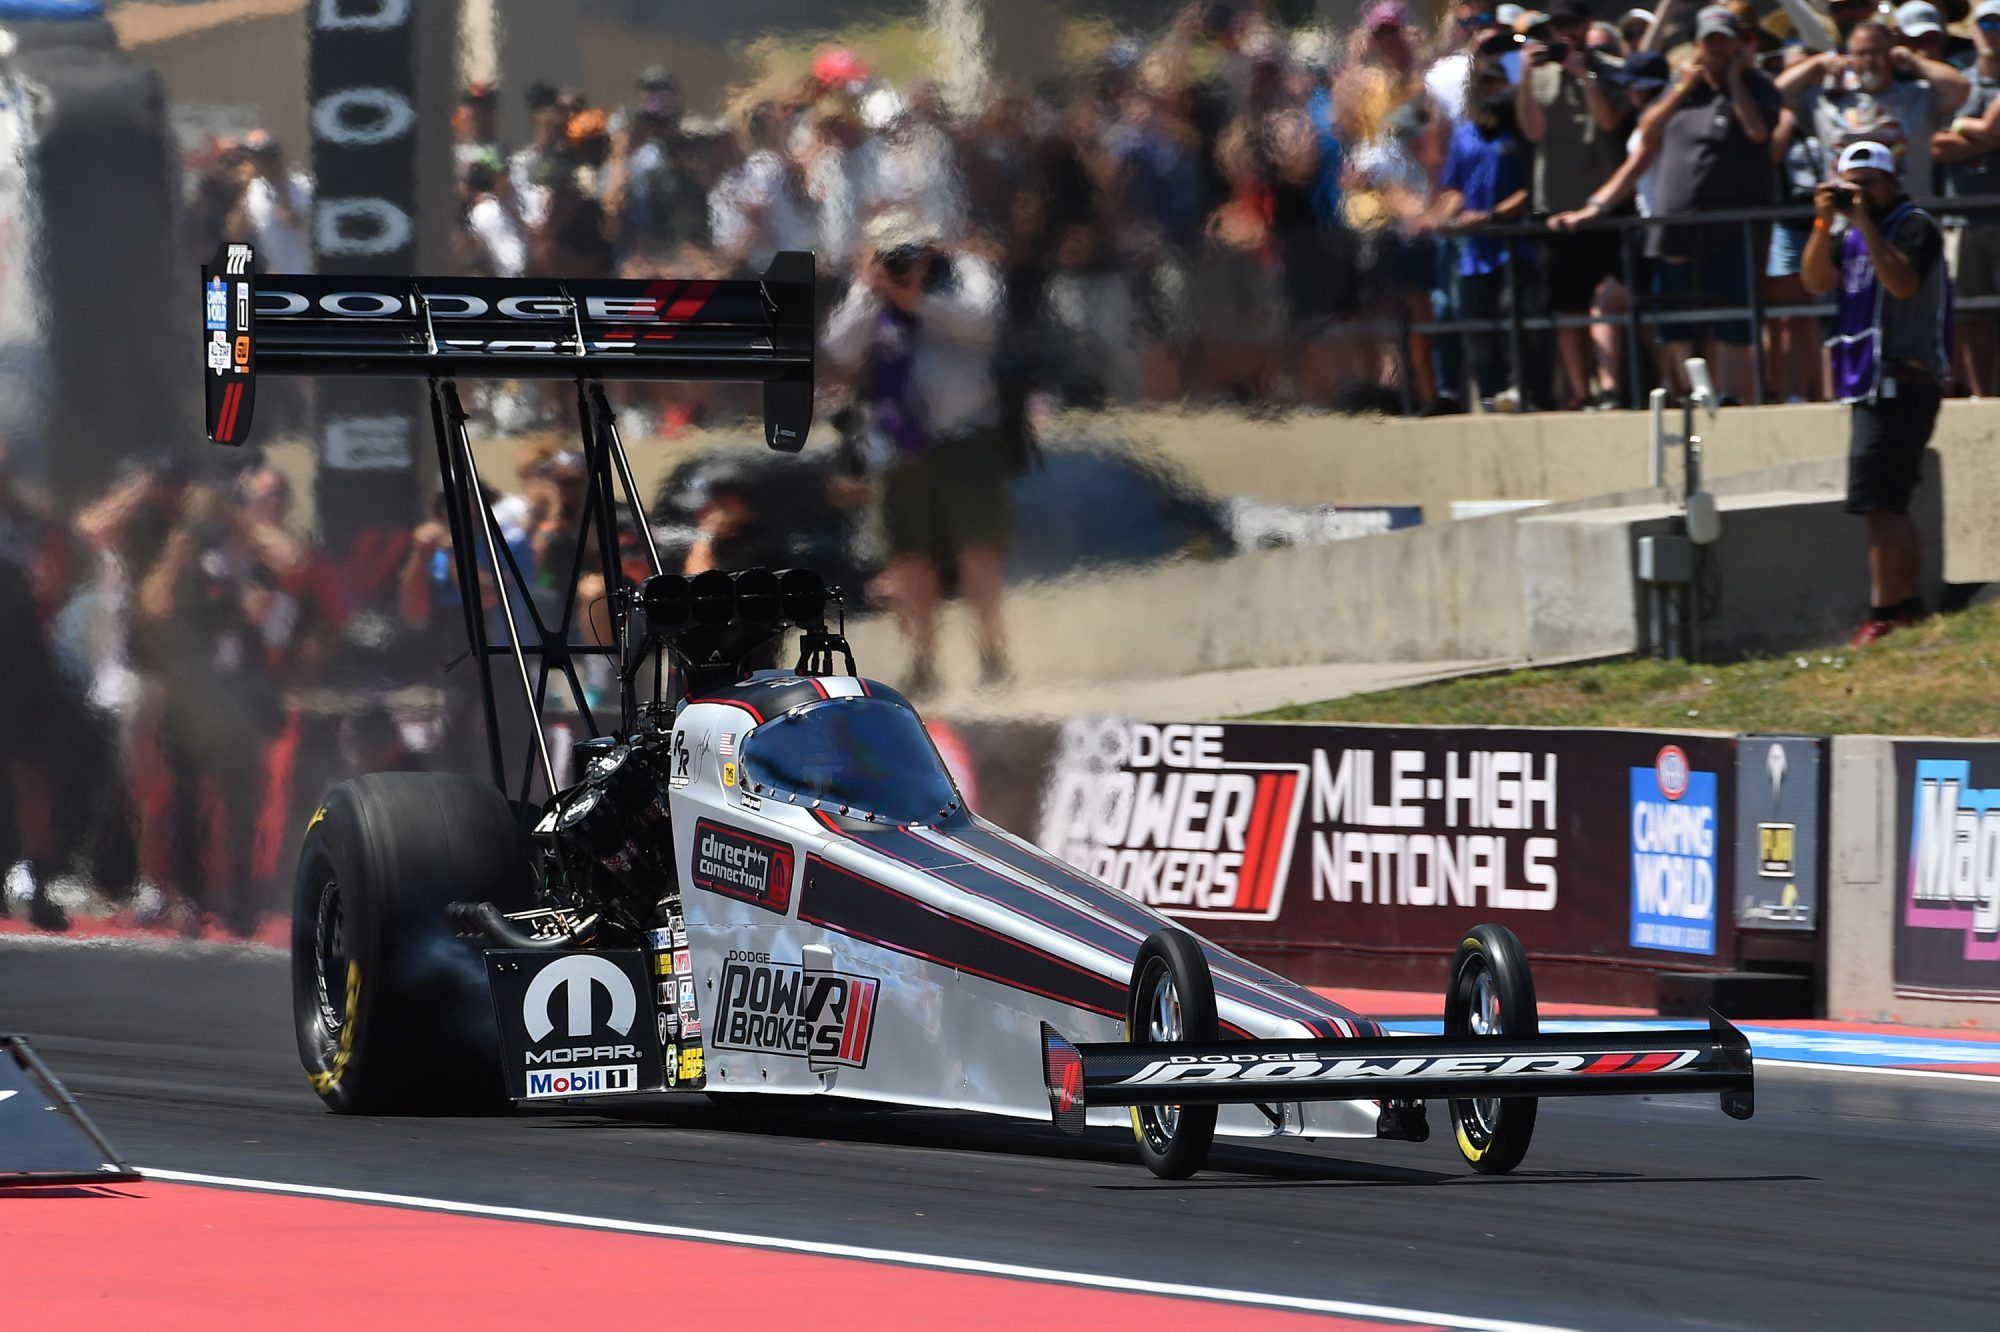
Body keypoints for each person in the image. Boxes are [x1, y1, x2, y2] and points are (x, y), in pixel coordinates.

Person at [822, 211, 1008, 695]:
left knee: (976, 551)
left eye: (910, 250)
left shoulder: (963, 274)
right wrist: (870, 289)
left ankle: (993, 656)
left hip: (963, 434)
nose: (904, 261)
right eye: (891, 253)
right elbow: (839, 349)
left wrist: (918, 300)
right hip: (897, 442)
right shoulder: (871, 291)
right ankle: (924, 664)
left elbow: (983, 324)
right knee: (910, 558)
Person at [1799, 140, 1953, 646]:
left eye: (1869, 184)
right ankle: (1905, 608)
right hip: (1866, 380)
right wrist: (1824, 222)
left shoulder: (1914, 226)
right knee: (1890, 501)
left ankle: (1884, 612)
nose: (1859, 194)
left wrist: (1864, 222)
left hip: (1904, 379)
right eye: (1850, 185)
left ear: (1891, 181)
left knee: (1880, 503)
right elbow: (1816, 280)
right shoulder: (1846, 231)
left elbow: (1903, 283)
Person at [1638, 6, 1780, 404]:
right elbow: (1648, 131)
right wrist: (1682, 88)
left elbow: (1757, 132)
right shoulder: (1682, 86)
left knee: (1734, 315)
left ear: (1737, 43)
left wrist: (1734, 80)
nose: (1717, 48)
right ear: (1698, 45)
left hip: (1737, 223)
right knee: (1674, 317)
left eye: (1724, 40)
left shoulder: (1758, 84)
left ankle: (1731, 396)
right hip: (1677, 223)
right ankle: (1689, 393)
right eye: (1709, 41)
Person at [1518, 0, 1628, 410]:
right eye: (1556, 25)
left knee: (1604, 299)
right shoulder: (1541, 75)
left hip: (1605, 205)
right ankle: (1580, 392)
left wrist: (1584, 76)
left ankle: (1610, 389)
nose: (1564, 32)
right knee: (1567, 305)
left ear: (1586, 25)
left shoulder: (1610, 68)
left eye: (1570, 24)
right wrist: (1527, 74)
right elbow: (1532, 130)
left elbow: (1608, 122)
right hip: (1557, 206)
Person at [1777, 18, 1968, 197]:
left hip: (1905, 216)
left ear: (1890, 54)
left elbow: (1960, 88)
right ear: (1850, 57)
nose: (1869, 60)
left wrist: (1914, 61)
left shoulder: (1917, 95)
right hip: (1846, 220)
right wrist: (1816, 62)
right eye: (1861, 53)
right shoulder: (1826, 100)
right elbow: (1776, 94)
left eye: (1876, 52)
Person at [1935, 0, 2000, 396]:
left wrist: (1962, 132)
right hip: (1961, 216)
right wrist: (1984, 134)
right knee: (1971, 311)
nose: (1993, 30)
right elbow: (1933, 146)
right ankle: (1982, 394)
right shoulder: (1958, 83)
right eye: (1986, 22)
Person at [238, 131, 313, 274]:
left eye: (262, 159)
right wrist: (245, 188)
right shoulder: (253, 191)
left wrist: (279, 188)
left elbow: (292, 220)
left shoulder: (303, 187)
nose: (257, 164)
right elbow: (235, 234)